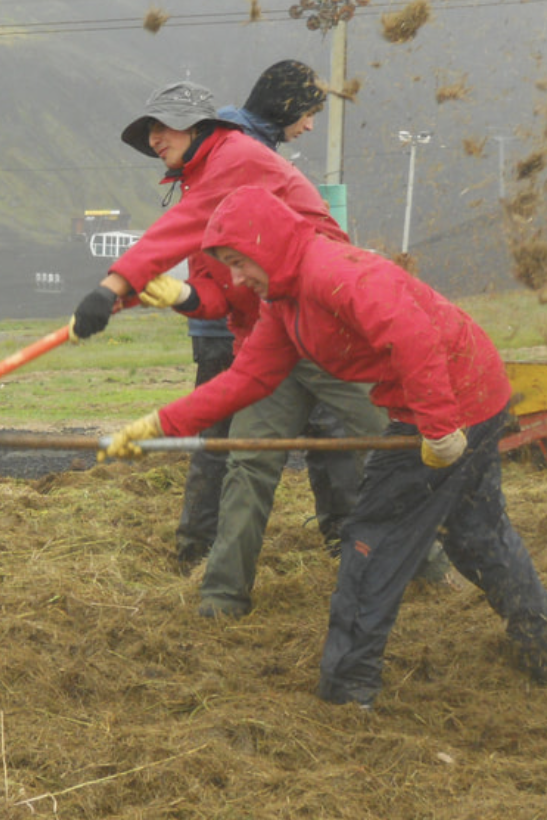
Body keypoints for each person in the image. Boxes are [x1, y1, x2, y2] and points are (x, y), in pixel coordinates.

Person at [105, 184, 547, 707]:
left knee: (372, 541)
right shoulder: (284, 303)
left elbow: (413, 335)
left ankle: (348, 691)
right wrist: (155, 425)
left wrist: (439, 429)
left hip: (452, 401)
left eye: (239, 262)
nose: (237, 279)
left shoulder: (334, 274)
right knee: (475, 531)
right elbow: (247, 380)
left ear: (268, 243)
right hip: (472, 393)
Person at [71, 80, 391, 618]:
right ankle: (221, 600)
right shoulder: (199, 187)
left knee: (389, 444)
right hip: (270, 333)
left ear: (199, 127)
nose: (153, 138)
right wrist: (173, 296)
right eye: (148, 129)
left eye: (163, 125)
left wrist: (112, 287)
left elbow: (174, 232)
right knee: (248, 462)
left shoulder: (238, 158)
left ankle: (427, 567)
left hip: (325, 323)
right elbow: (220, 293)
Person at [175, 60, 360, 569]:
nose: (310, 126)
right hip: (243, 317)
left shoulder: (235, 145)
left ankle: (199, 546)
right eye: (307, 113)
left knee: (227, 430)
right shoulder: (244, 155)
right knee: (320, 424)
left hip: (244, 314)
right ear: (285, 106)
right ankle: (341, 537)